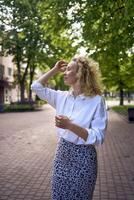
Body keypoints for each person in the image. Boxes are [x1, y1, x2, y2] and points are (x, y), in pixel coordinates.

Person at [31, 55, 108, 200]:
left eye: (68, 70)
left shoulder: (97, 101)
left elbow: (98, 137)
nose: (64, 73)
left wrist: (70, 126)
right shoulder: (62, 97)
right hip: (62, 154)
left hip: (84, 158)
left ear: (80, 73)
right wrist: (54, 70)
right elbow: (36, 86)